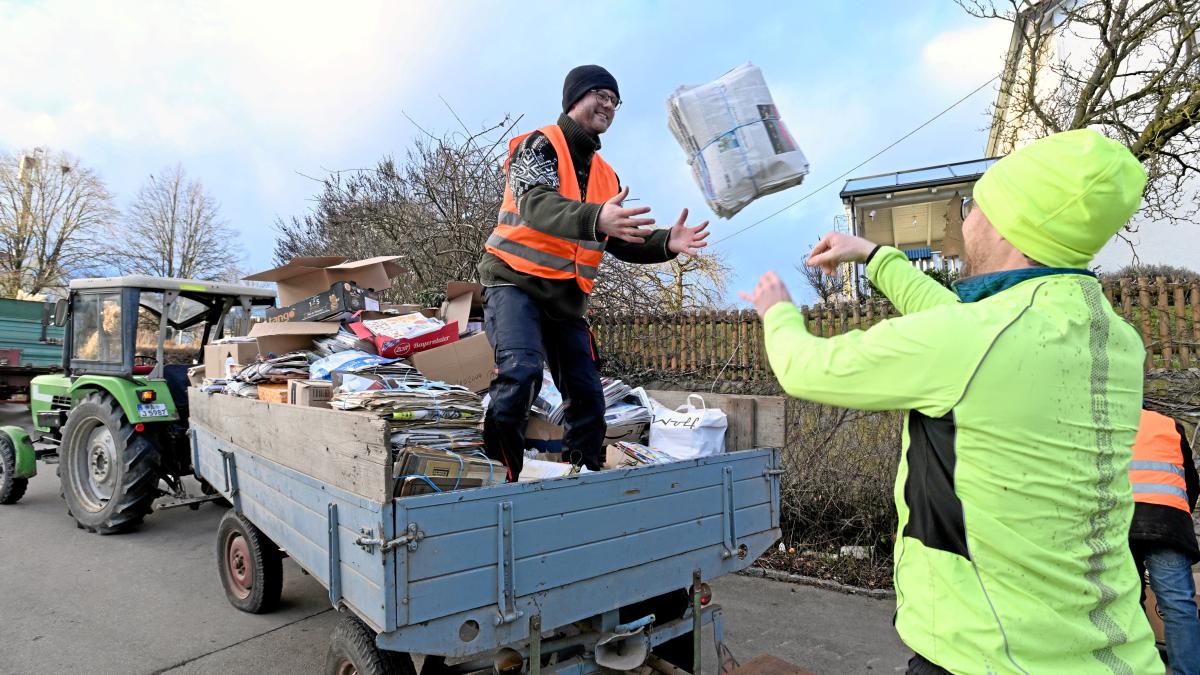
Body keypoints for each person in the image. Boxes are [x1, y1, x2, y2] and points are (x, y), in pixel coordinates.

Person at [741, 129, 1160, 673]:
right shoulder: (1112, 337)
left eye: (973, 206)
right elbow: (965, 330)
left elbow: (804, 367)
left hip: (990, 653)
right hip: (1113, 652)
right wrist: (873, 255)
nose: (963, 222)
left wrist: (777, 310)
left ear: (1010, 225)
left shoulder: (972, 340)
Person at [478, 65, 709, 480]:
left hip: (564, 299)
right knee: (521, 371)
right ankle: (497, 477)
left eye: (614, 100)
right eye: (600, 94)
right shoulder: (538, 145)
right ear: (574, 99)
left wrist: (665, 242)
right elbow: (537, 205)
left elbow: (618, 237)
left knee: (587, 394)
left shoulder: (606, 174)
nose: (608, 105)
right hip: (513, 281)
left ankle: (581, 478)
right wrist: (597, 217)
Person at [1128, 408, 1200, 675]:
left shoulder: (1104, 424)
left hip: (1121, 521)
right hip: (1168, 519)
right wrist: (1178, 516)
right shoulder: (1167, 424)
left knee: (1127, 602)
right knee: (1178, 604)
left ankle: (1141, 668)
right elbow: (1191, 480)